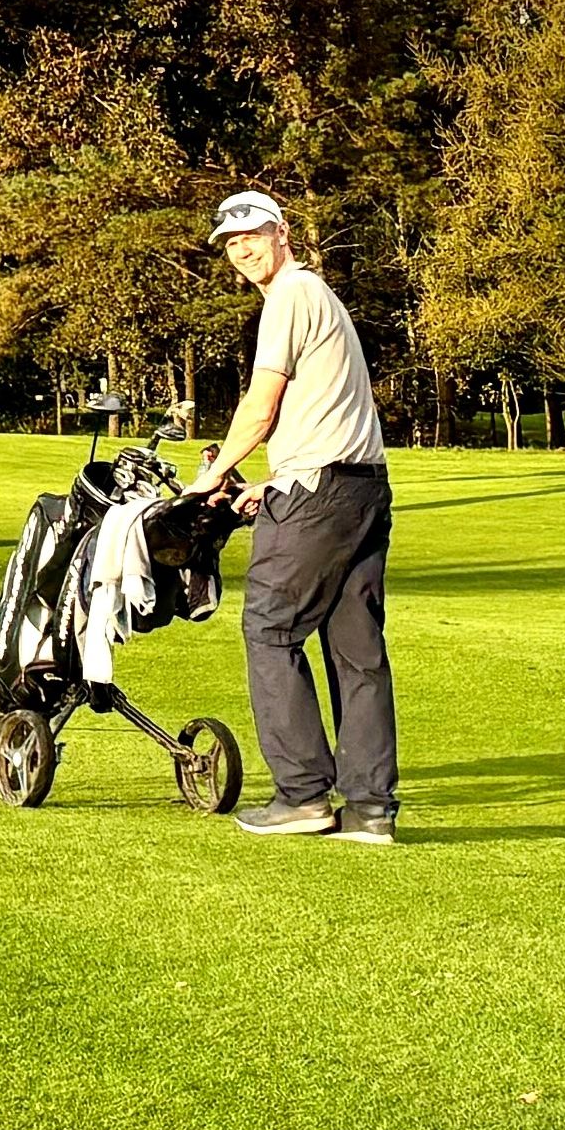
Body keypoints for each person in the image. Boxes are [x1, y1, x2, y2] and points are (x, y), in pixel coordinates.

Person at [185, 189, 397, 841]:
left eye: (252, 234)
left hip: (318, 495)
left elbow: (262, 406)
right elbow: (322, 414)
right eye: (231, 242)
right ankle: (370, 810)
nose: (242, 249)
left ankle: (302, 796)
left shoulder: (289, 296)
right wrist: (272, 483)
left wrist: (210, 479)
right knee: (357, 651)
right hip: (361, 488)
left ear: (282, 231)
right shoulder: (319, 296)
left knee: (270, 629)